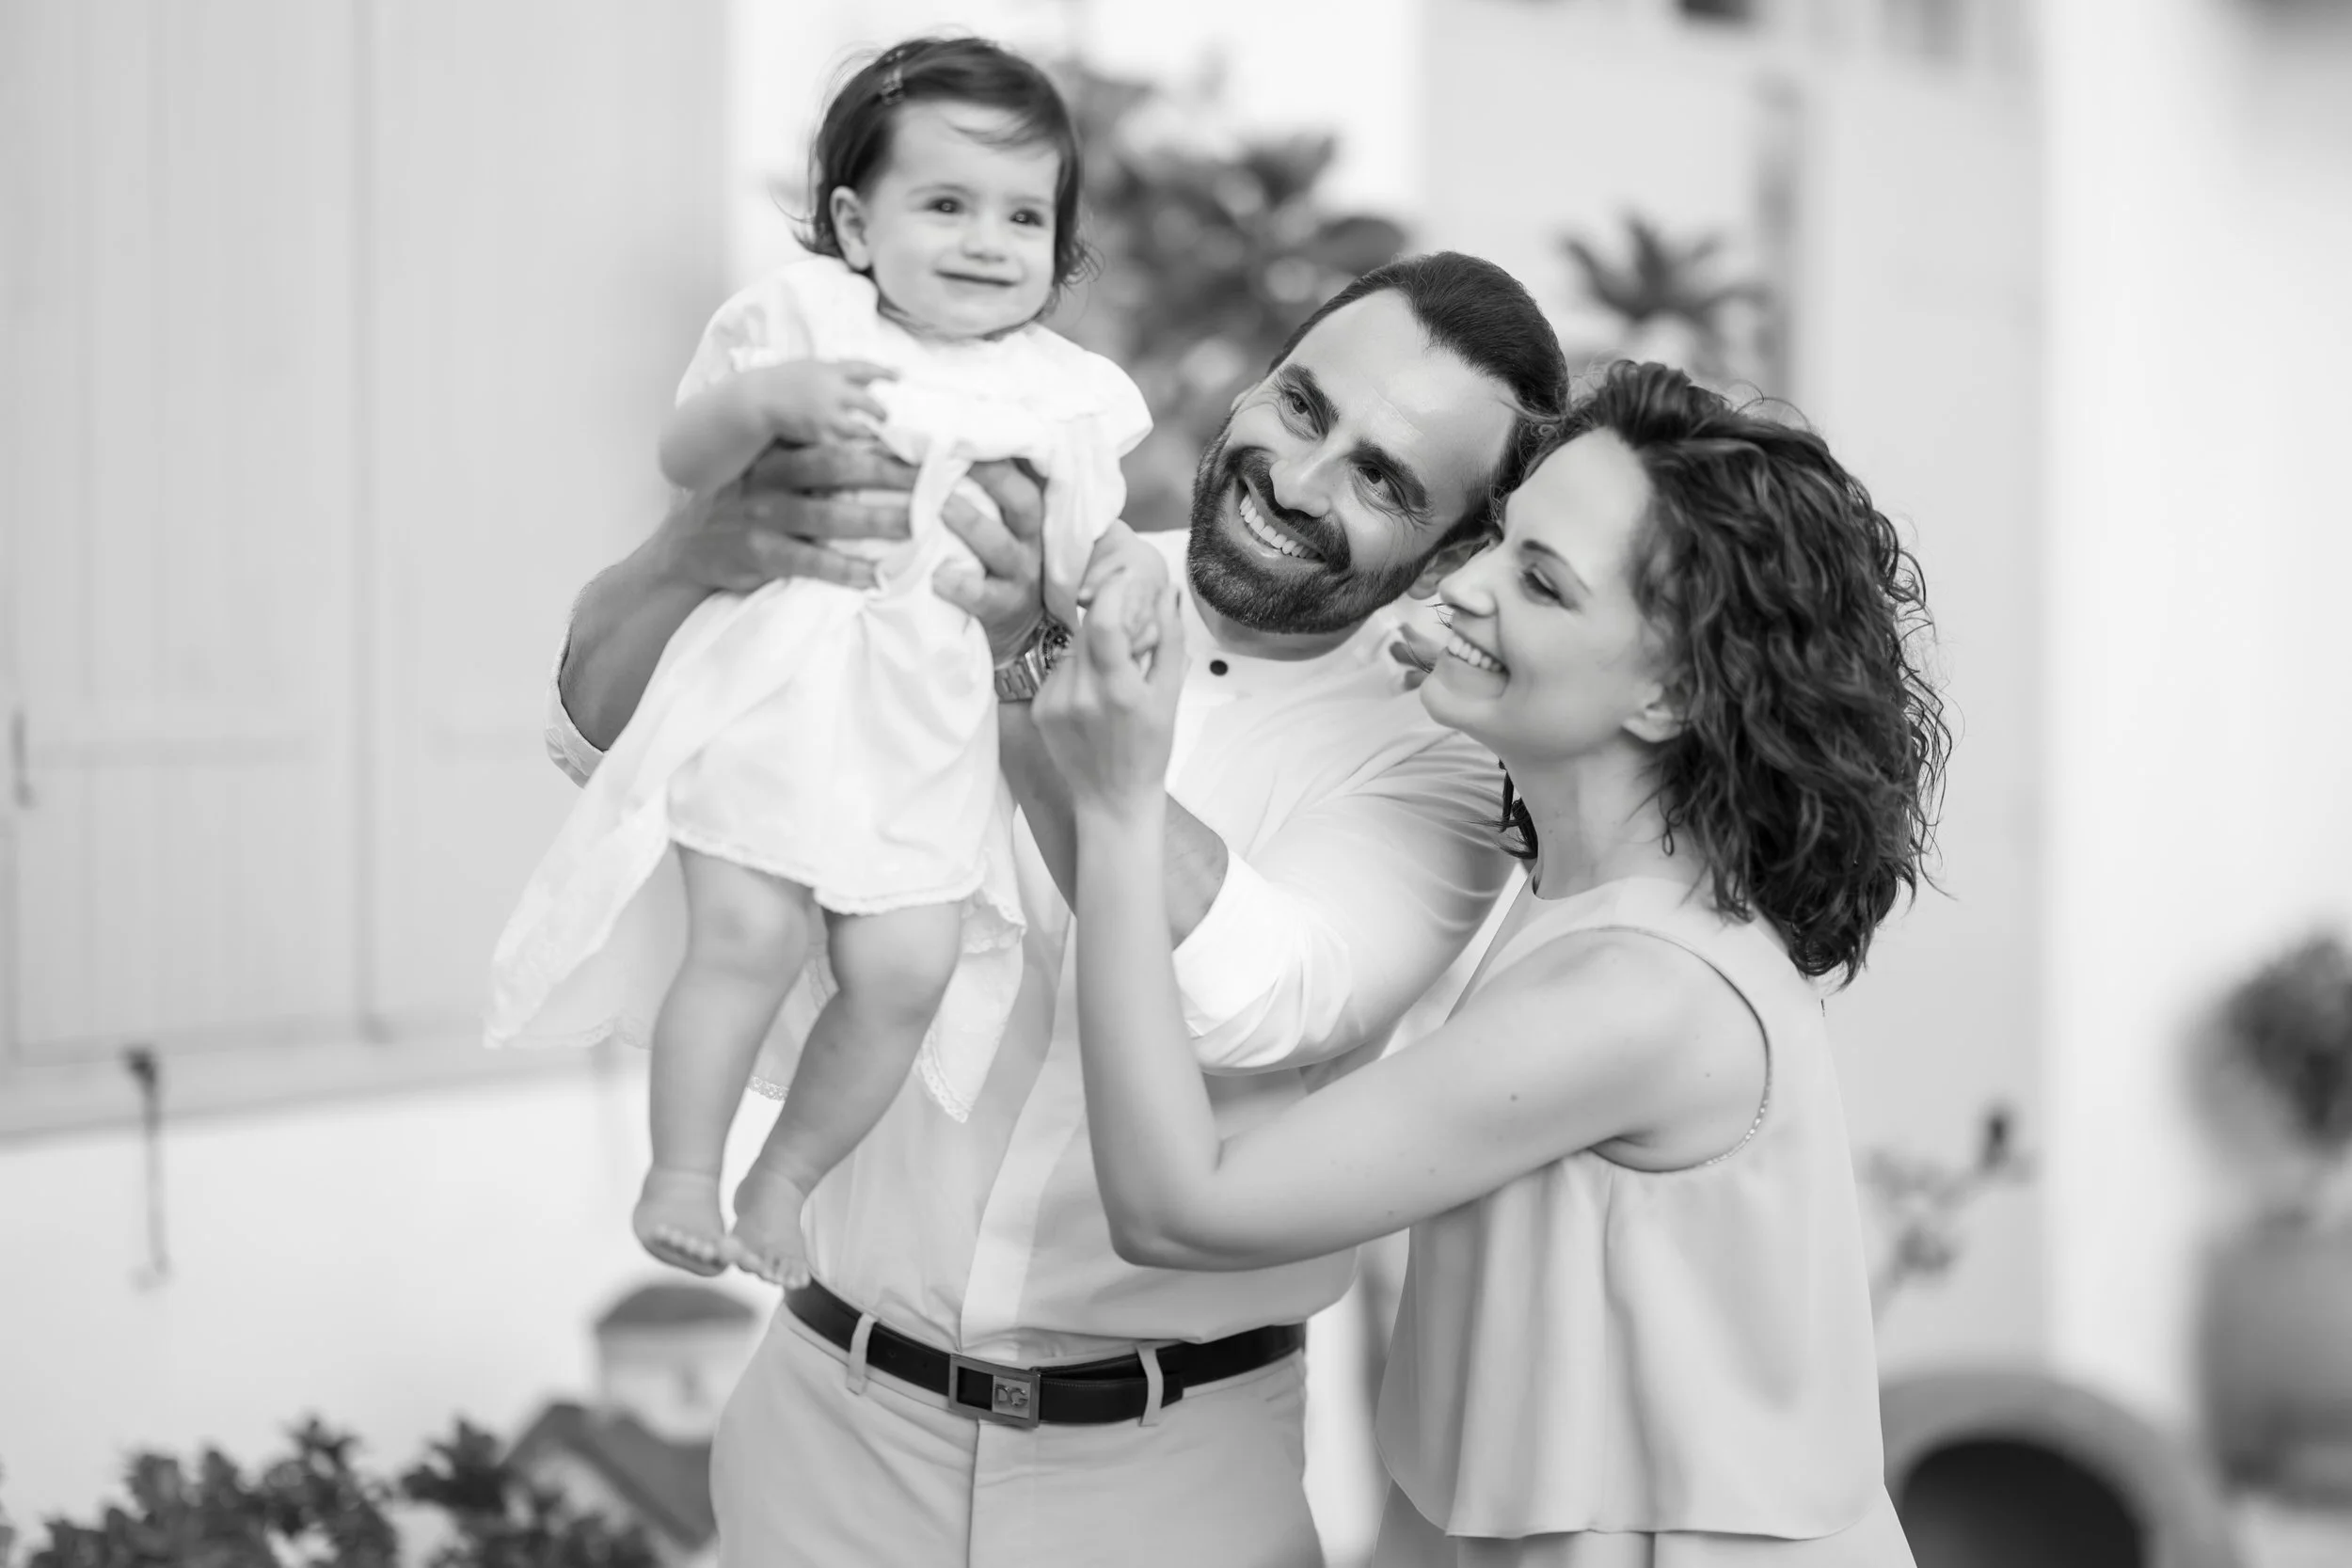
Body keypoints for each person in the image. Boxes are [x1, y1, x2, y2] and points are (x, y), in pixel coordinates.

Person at [548, 249, 1568, 1564]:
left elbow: (1253, 1001)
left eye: (1384, 479)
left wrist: (1032, 663)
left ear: (1461, 546)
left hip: (1168, 1481)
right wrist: (693, 549)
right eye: (1306, 408)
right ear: (1256, 383)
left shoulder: (1439, 757)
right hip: (826, 1429)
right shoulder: (1009, 554)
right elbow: (603, 746)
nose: (1302, 482)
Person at [1038, 360, 1949, 1566]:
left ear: (1672, 690)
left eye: (1538, 580)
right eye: (1498, 540)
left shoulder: (1639, 995)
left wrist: (1117, 811)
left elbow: (1178, 1206)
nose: (1460, 586)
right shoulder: (1578, 904)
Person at [483, 38, 1163, 1288]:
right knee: (741, 933)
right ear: (856, 224)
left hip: (926, 725)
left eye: (1023, 215)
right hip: (783, 689)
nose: (984, 238)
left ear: (1060, 250)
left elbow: (1081, 548)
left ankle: (782, 1174)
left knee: (904, 968)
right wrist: (764, 402)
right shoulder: (802, 322)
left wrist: (1119, 571)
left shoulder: (1066, 397)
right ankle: (681, 1170)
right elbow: (687, 458)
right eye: (944, 203)